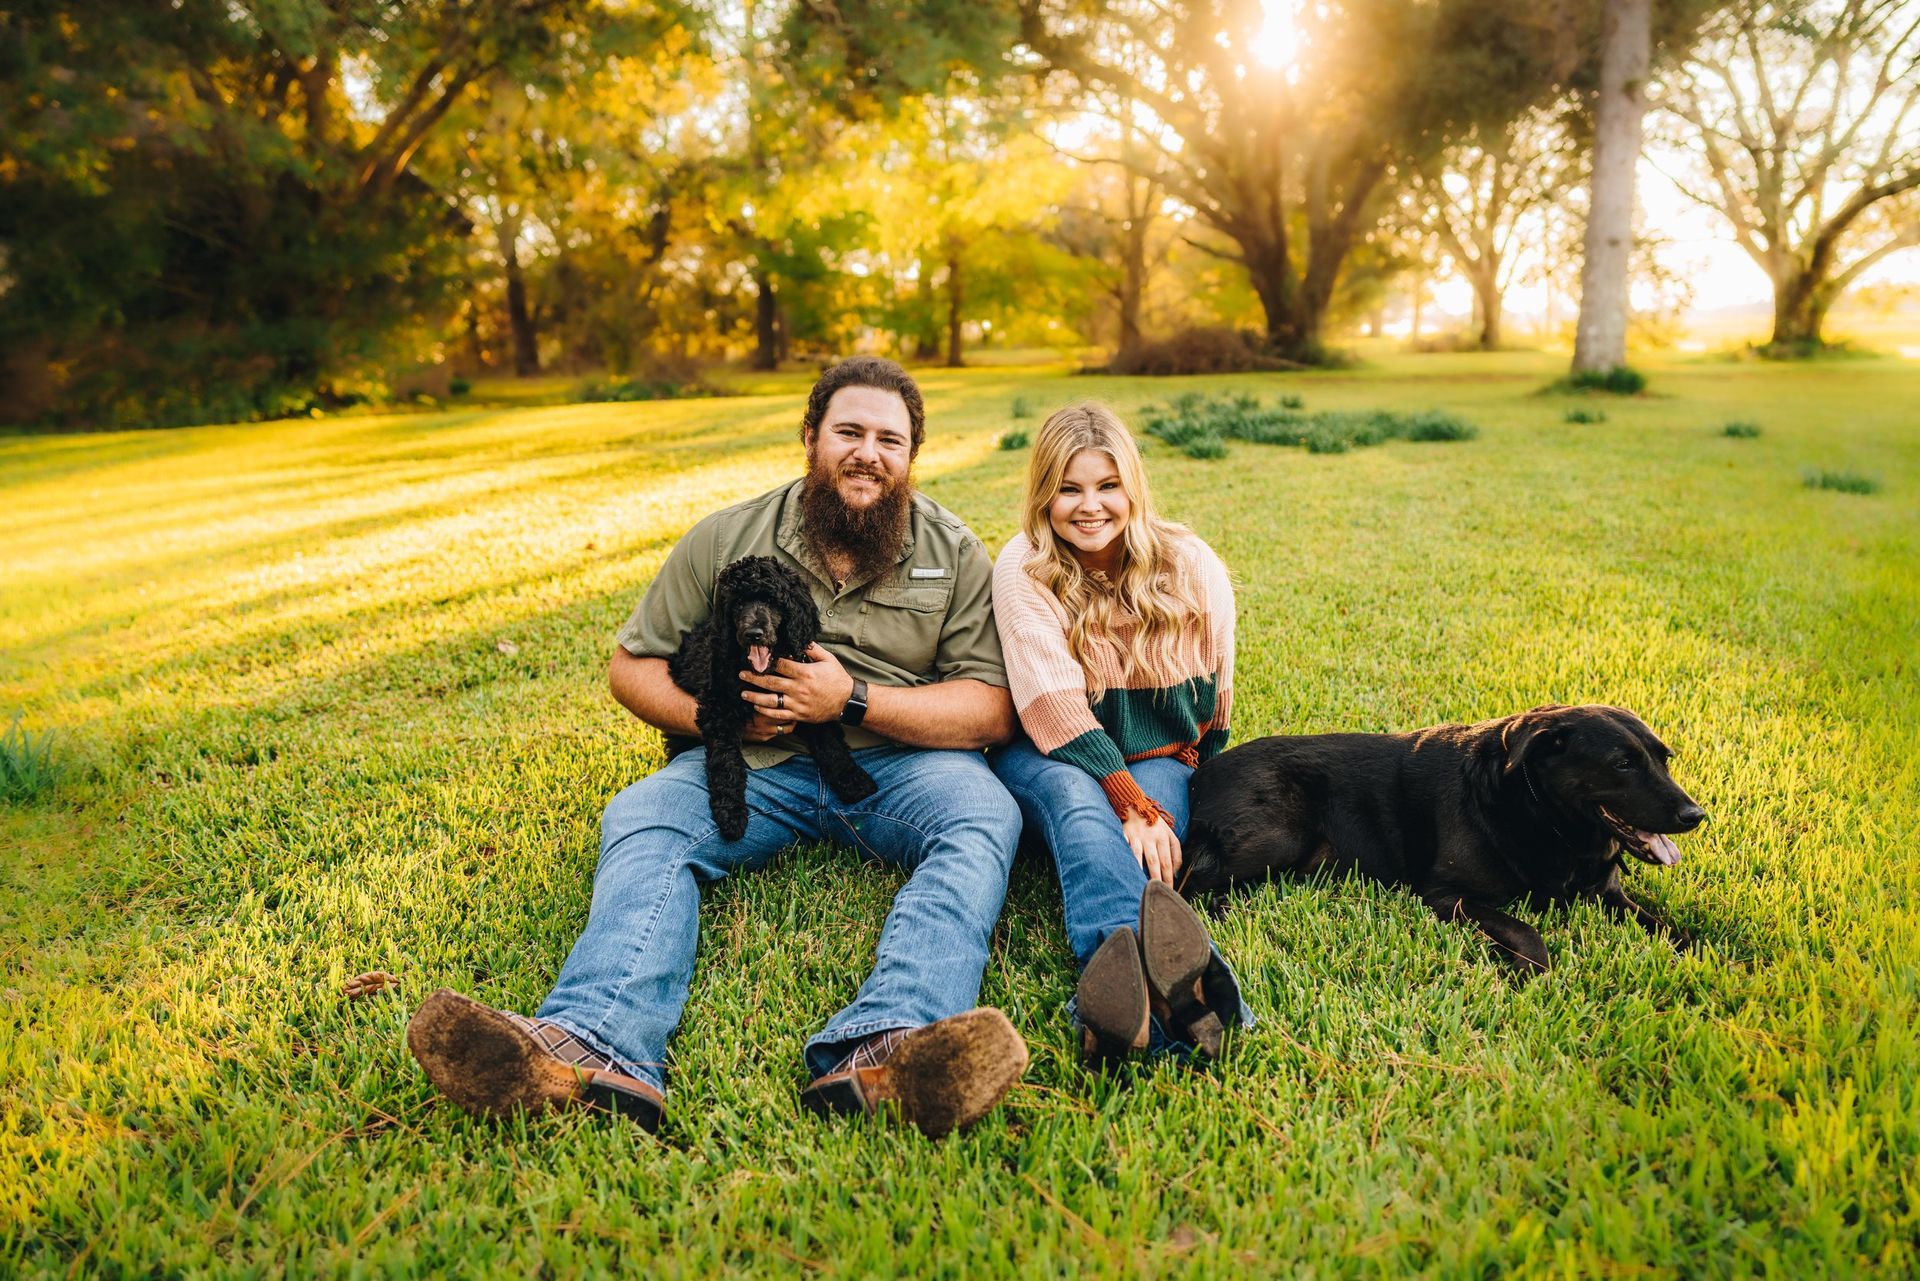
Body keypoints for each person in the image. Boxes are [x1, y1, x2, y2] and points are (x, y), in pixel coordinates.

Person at [406, 357, 1030, 1139]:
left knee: (985, 815)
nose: (868, 452)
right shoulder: (727, 537)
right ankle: (597, 1041)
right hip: (756, 768)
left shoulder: (954, 551)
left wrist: (856, 699)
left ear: (911, 456)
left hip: (896, 763)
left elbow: (991, 707)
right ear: (810, 438)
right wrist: (715, 719)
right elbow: (630, 666)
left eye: (889, 439)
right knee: (643, 816)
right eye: (849, 432)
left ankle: (894, 1045)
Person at [989, 403, 1254, 1065]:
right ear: (1044, 493)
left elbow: (1215, 695)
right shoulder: (1024, 567)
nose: (1089, 505)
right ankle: (1173, 994)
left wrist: (1171, 793)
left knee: (1155, 841)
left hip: (1161, 753)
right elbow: (1054, 708)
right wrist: (1129, 801)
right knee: (1084, 813)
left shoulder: (1191, 564)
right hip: (1048, 753)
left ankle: (1143, 1013)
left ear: (1132, 486)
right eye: (1068, 488)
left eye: (1107, 485)